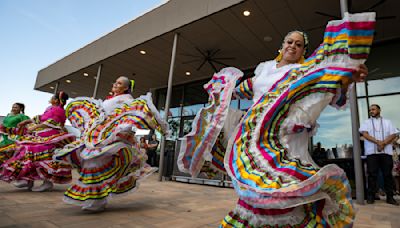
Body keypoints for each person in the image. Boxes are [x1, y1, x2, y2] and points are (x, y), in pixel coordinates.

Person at [179, 12, 374, 227]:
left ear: (303, 51)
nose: (292, 46)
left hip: (288, 139)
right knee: (257, 190)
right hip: (254, 139)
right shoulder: (264, 68)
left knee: (285, 188)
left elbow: (330, 92)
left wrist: (348, 77)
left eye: (298, 44)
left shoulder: (303, 71)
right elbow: (244, 89)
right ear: (281, 46)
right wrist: (220, 93)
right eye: (289, 42)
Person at [54, 76, 168, 211]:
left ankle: (98, 201)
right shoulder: (110, 99)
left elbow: (128, 117)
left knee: (95, 164)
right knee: (90, 164)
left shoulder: (127, 100)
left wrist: (120, 132)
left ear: (126, 87)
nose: (115, 84)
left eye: (119, 83)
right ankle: (95, 199)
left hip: (112, 138)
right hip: (98, 138)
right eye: (115, 82)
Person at [0, 92, 75, 191]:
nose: (50, 98)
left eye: (52, 97)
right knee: (26, 151)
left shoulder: (59, 110)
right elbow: (40, 118)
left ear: (56, 100)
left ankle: (47, 182)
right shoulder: (50, 109)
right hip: (41, 135)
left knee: (39, 154)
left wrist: (35, 127)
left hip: (51, 136)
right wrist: (27, 122)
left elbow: (51, 122)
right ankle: (27, 180)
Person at [359, 104, 399, 205]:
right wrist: (378, 142)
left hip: (386, 152)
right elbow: (365, 134)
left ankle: (390, 197)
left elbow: (393, 134)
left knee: (387, 175)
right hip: (372, 152)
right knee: (372, 174)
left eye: (373, 109)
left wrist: (384, 143)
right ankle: (371, 197)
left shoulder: (388, 122)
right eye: (370, 110)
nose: (371, 111)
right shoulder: (366, 122)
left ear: (379, 110)